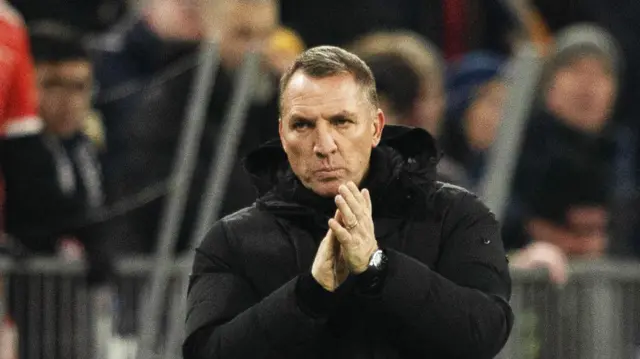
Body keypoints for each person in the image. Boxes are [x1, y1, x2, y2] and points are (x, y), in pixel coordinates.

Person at [183, 46, 513, 359]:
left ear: (375, 127)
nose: (324, 145)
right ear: (283, 135)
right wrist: (309, 294)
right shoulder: (232, 240)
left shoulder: (454, 215)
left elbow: (483, 333)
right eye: (303, 125)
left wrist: (379, 267)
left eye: (341, 121)